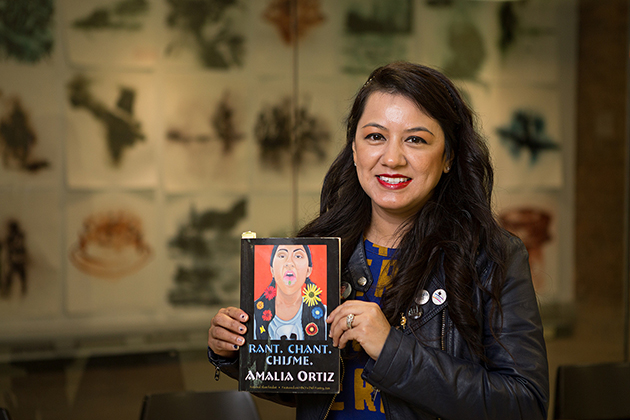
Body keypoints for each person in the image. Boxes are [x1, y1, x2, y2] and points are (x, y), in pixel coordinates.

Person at [207, 61, 549, 419]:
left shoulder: (493, 256)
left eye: (415, 139)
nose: (392, 158)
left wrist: (392, 351)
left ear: (448, 155)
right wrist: (238, 350)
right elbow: (307, 385)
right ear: (354, 149)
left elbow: (525, 405)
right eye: (375, 136)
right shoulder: (317, 250)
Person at [254, 244, 327, 340]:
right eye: (282, 256)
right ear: (272, 270)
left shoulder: (325, 315)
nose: (289, 263)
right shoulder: (254, 315)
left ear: (308, 271)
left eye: (298, 256)